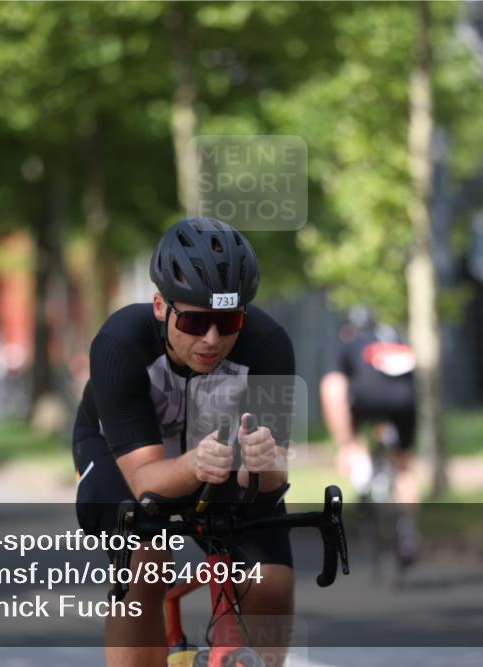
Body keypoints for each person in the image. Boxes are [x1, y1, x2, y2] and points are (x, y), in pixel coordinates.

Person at [72, 217, 294, 667]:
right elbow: (146, 483)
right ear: (160, 306)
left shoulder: (268, 345)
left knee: (271, 580)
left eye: (228, 320)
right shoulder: (120, 343)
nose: (212, 339)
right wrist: (194, 466)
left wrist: (263, 462)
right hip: (124, 457)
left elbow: (272, 482)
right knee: (147, 565)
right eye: (194, 320)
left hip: (217, 456)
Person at [320, 306, 420, 565]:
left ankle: (360, 472)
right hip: (405, 399)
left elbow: (334, 387)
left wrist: (344, 443)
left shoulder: (346, 342)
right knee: (404, 466)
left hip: (368, 399)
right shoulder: (393, 336)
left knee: (347, 414)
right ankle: (408, 531)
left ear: (348, 329)